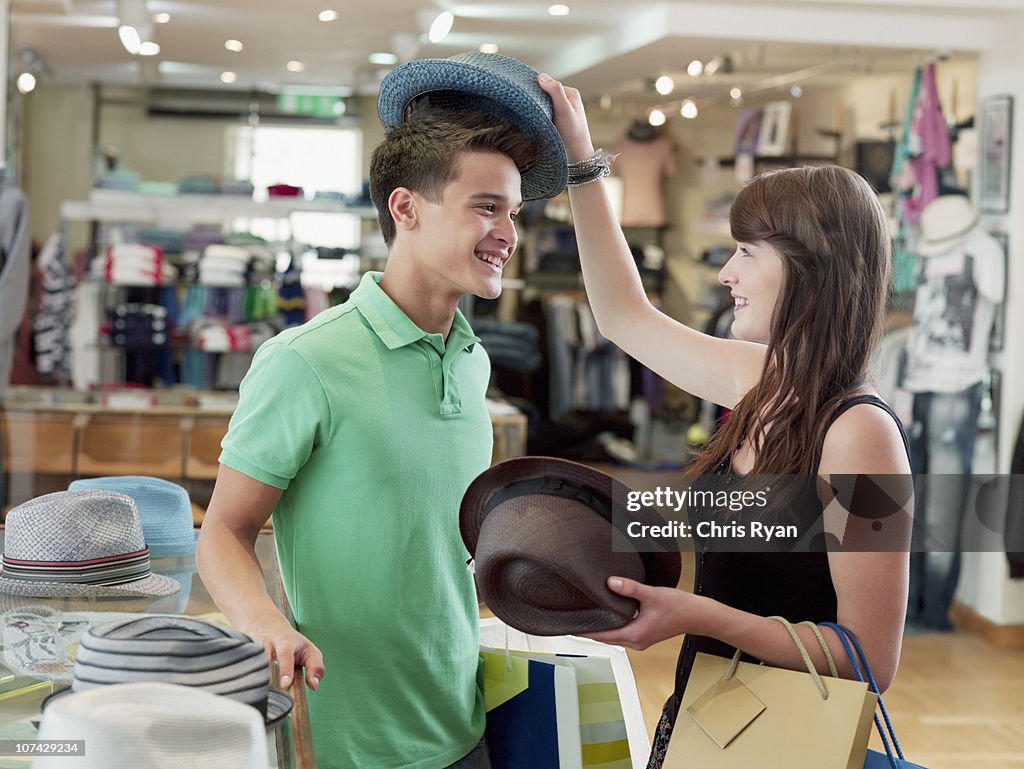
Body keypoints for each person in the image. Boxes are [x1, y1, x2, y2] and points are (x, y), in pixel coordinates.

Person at [536, 73, 912, 766]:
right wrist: (584, 164)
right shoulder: (756, 377)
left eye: (747, 252)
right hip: (709, 719)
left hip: (788, 740)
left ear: (810, 268)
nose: (724, 273)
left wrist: (698, 615)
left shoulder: (864, 434)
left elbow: (869, 657)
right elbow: (623, 317)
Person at [196, 107, 542, 769]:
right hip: (344, 741)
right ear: (406, 208)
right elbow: (223, 532)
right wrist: (268, 624)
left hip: (463, 725)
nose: (507, 234)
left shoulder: (473, 361)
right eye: (487, 207)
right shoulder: (305, 361)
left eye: (515, 213)